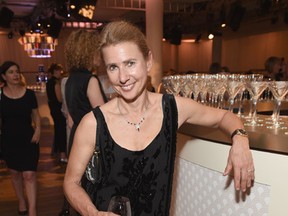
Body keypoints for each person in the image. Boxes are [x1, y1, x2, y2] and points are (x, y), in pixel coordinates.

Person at [63, 21, 254, 216]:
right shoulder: (93, 123)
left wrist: (240, 139)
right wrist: (92, 213)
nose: (122, 77)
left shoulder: (173, 108)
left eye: (130, 63)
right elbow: (71, 183)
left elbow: (223, 116)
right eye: (113, 67)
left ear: (148, 61)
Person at [59, 29, 107, 216]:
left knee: (78, 187)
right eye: (97, 51)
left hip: (77, 138)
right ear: (88, 52)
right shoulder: (90, 80)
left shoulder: (70, 80)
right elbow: (102, 118)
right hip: (91, 142)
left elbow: (72, 116)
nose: (100, 56)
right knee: (92, 192)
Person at [0, 61, 41, 216]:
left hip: (28, 139)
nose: (16, 75)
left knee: (29, 175)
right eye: (11, 72)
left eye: (17, 71)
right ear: (4, 76)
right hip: (9, 140)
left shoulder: (29, 93)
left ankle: (32, 210)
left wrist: (38, 129)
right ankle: (21, 201)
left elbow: (36, 115)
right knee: (15, 174)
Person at [46, 63, 68, 163]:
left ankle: (57, 152)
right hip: (58, 110)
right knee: (61, 131)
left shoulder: (49, 82)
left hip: (53, 109)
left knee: (58, 130)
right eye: (59, 71)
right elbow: (59, 99)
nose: (61, 73)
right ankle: (62, 154)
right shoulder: (56, 82)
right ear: (55, 71)